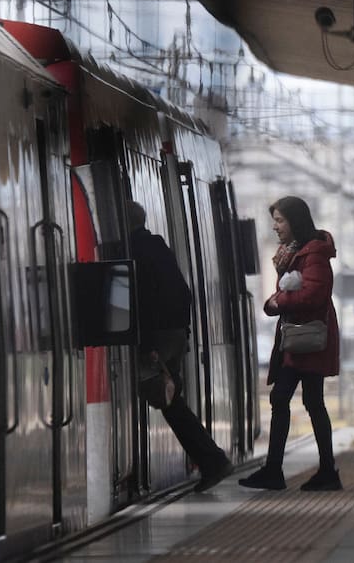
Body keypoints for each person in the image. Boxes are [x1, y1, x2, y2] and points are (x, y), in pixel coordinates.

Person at [127, 201, 232, 493]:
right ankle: (212, 460)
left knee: (168, 401)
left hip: (157, 338)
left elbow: (142, 301)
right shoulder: (158, 247)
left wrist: (148, 344)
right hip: (173, 334)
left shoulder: (135, 250)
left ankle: (213, 460)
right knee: (172, 401)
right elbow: (183, 292)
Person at [240, 196, 342, 491]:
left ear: (295, 221)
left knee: (289, 398)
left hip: (308, 339)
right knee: (301, 400)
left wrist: (277, 301)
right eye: (274, 221)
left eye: (280, 220)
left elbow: (314, 295)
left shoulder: (314, 255)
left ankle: (285, 471)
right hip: (298, 338)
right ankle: (321, 470)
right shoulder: (295, 253)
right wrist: (279, 300)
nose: (275, 227)